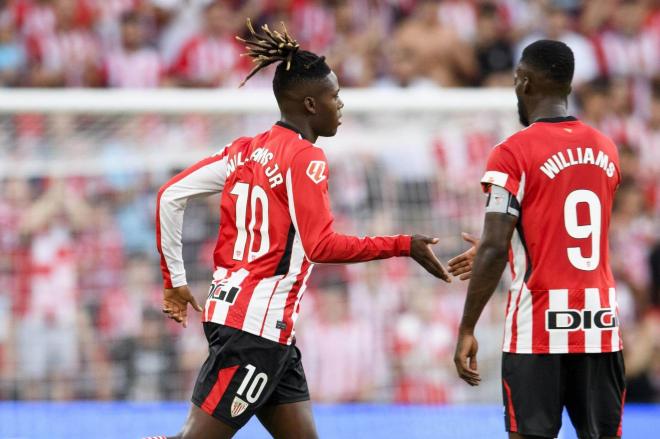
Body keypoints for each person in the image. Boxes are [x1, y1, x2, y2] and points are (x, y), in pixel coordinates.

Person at [152, 20, 476, 439]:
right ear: (309, 104)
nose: (340, 105)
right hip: (253, 331)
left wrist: (174, 282)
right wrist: (403, 244)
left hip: (257, 327)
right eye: (334, 96)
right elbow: (321, 246)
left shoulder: (243, 150)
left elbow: (169, 196)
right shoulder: (305, 158)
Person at [453, 40, 625, 439]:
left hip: (538, 327)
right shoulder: (606, 148)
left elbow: (496, 246)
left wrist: (466, 328)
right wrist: (511, 245)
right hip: (599, 325)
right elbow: (571, 229)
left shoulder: (512, 152)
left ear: (523, 82)